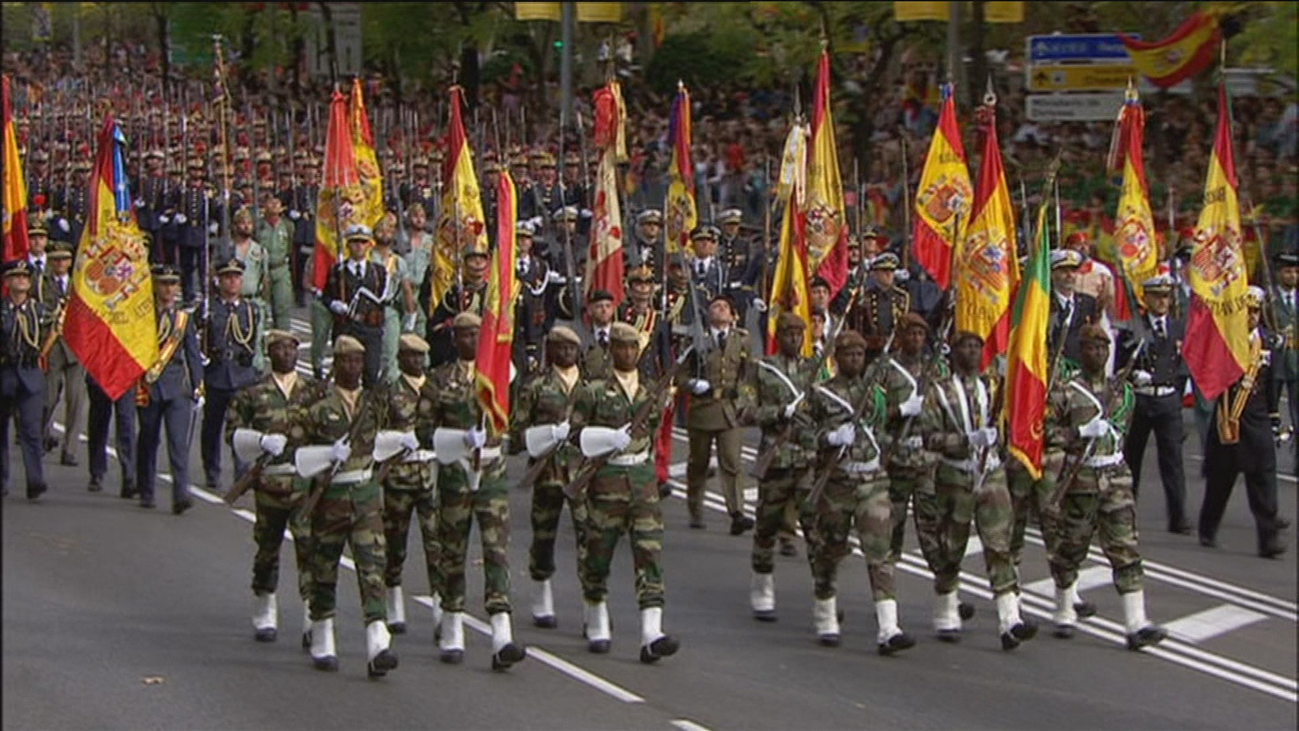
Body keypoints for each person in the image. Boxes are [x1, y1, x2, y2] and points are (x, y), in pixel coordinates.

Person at [1046, 323, 1169, 648]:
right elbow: (1046, 433)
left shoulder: (1121, 391)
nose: (1098, 353)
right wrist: (1079, 433)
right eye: (1091, 348)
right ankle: (1064, 607)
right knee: (1071, 546)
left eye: (1103, 348)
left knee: (1125, 547)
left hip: (1114, 477)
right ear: (1081, 351)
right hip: (1081, 479)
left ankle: (1136, 623)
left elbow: (1124, 430)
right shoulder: (1067, 391)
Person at [570, 321, 680, 663]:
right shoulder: (592, 391)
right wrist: (607, 439)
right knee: (598, 552)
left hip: (642, 480)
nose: (628, 353)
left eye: (633, 348)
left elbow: (654, 432)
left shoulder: (649, 392)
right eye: (622, 347)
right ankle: (597, 614)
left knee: (649, 552)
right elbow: (575, 435)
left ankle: (651, 632)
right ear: (612, 350)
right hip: (607, 479)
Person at [919, 331, 1036, 650]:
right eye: (965, 347)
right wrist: (966, 441)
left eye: (976, 347)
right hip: (955, 476)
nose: (971, 352)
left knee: (999, 544)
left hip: (991, 474)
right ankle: (946, 610)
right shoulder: (939, 391)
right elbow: (929, 437)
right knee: (951, 546)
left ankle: (1010, 619)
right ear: (954, 353)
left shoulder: (992, 387)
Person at [804, 330, 915, 654]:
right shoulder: (821, 393)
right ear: (837, 358)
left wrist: (904, 412)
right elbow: (802, 432)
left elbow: (885, 428)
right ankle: (825, 614)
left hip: (872, 482)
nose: (855, 359)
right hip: (837, 484)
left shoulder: (875, 393)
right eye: (849, 354)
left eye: (860, 354)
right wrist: (830, 437)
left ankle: (888, 627)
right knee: (829, 550)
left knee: (880, 552)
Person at [296, 335, 399, 678]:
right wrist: (327, 454)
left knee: (373, 567)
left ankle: (378, 642)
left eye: (357, 361)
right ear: (336, 363)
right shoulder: (318, 406)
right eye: (346, 361)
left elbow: (390, 433)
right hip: (330, 498)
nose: (353, 367)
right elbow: (297, 452)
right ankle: (323, 633)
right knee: (324, 567)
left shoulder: (373, 403)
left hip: (365, 494)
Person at [429, 312, 526, 671]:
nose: (473, 340)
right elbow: (425, 430)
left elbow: (515, 417)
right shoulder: (439, 379)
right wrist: (460, 439)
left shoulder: (500, 374)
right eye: (466, 335)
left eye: (477, 335)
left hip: (491, 472)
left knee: (496, 551)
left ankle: (501, 631)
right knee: (452, 550)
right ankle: (452, 624)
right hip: (456, 472)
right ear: (455, 340)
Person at [226, 329, 320, 644]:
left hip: (303, 481)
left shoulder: (312, 391)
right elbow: (233, 433)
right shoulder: (253, 393)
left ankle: (312, 615)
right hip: (270, 483)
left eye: (292, 348)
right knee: (268, 547)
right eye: (280, 349)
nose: (287, 354)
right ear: (270, 353)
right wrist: (261, 441)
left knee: (309, 548)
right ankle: (265, 603)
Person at [1199, 286, 1288, 558]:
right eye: (1246, 311)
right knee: (1221, 479)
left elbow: (1273, 383)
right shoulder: (1225, 340)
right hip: (1228, 416)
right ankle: (1208, 527)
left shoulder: (1268, 342)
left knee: (1263, 478)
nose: (1251, 317)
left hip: (1257, 419)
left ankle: (1268, 539)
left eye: (1255, 311)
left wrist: (1274, 416)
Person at [510, 326, 589, 630]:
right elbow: (517, 433)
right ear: (551, 351)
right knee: (544, 536)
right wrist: (546, 435)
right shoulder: (536, 386)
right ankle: (541, 594)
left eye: (571, 348)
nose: (566, 353)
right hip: (547, 472)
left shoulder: (590, 387)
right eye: (560, 347)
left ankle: (592, 603)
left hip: (582, 473)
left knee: (589, 537)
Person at [744, 312, 816, 622]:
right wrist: (778, 413)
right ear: (779, 336)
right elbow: (745, 411)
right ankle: (762, 586)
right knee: (767, 527)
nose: (795, 339)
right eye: (789, 334)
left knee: (816, 530)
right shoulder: (762, 369)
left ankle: (824, 594)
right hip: (776, 459)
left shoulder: (814, 369)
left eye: (799, 334)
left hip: (808, 460)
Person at [379, 334, 443, 639]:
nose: (416, 361)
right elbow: (376, 434)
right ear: (400, 359)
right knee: (396, 543)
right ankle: (393, 597)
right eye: (410, 356)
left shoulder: (435, 390)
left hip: (431, 475)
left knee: (437, 544)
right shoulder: (390, 393)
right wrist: (396, 441)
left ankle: (441, 606)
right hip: (399, 477)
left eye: (420, 356)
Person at [1118, 275, 1191, 533]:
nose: (1162, 301)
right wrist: (1132, 376)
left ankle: (1178, 516)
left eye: (1165, 297)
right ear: (1146, 299)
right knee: (1132, 460)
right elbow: (1119, 367)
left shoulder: (1178, 327)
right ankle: (1126, 513)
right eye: (1157, 296)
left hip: (1167, 399)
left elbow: (1183, 364)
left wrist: (1176, 393)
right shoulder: (1132, 329)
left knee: (1173, 461)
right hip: (1142, 398)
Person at [679, 293, 753, 534]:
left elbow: (748, 374)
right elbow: (680, 374)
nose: (719, 310)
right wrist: (692, 385)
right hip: (702, 409)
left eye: (724, 307)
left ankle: (737, 512)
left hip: (730, 410)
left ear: (732, 315)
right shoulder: (695, 339)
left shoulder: (741, 340)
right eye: (715, 306)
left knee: (731, 462)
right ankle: (695, 508)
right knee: (698, 463)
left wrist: (744, 401)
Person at [136, 265, 204, 513]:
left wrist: (198, 385)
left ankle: (180, 493)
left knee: (178, 442)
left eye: (173, 284)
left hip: (177, 387)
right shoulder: (144, 316)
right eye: (164, 284)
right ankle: (146, 490)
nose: (168, 289)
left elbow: (193, 354)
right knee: (149, 439)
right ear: (155, 286)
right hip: (149, 385)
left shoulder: (182, 318)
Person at [201, 257, 264, 490]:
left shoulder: (250, 310)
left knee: (241, 427)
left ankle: (242, 471)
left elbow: (254, 343)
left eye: (236, 277)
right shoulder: (210, 309)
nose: (232, 282)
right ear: (219, 281)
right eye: (227, 277)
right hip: (217, 373)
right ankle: (212, 469)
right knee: (212, 426)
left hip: (241, 374)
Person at [0, 260, 51, 500]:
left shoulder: (38, 311)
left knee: (31, 430)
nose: (21, 280)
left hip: (30, 374)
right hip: (5, 373)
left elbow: (48, 337)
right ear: (7, 281)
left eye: (25, 277)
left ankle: (35, 480)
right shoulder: (3, 310)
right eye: (16, 276)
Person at [321, 225, 389, 387]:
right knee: (346, 375)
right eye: (354, 242)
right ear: (347, 245)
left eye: (363, 242)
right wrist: (334, 304)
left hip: (371, 329)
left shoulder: (378, 271)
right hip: (347, 327)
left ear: (369, 245)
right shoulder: (337, 271)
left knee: (371, 374)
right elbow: (326, 296)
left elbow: (383, 299)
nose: (359, 246)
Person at [39, 240, 83, 466]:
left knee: (75, 401)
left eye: (64, 259)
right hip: (53, 346)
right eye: (55, 260)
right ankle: (40, 436)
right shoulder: (41, 283)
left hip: (76, 348)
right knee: (47, 399)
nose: (60, 264)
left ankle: (70, 450)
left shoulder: (79, 284)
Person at [1269, 250, 1299, 473]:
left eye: (1296, 272)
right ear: (1279, 273)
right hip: (1274, 364)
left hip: (1296, 364)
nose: (1293, 276)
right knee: (1269, 413)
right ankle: (1264, 458)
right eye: (1288, 271)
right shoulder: (1269, 300)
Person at [1049, 249, 1098, 368]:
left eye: (1073, 271)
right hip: (1052, 366)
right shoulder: (1044, 303)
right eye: (1064, 271)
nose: (1070, 275)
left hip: (1080, 367)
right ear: (1052, 273)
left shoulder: (1088, 302)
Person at [254, 192, 296, 331]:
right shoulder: (258, 225)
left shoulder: (288, 225)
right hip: (261, 270)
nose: (274, 205)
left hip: (280, 268)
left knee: (282, 307)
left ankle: (283, 337)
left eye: (277, 202)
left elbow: (290, 248)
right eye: (270, 202)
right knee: (260, 308)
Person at [581, 289, 618, 380]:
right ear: (590, 310)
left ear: (613, 310)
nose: (604, 310)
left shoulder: (619, 336)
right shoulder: (583, 338)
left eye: (608, 306)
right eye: (599, 306)